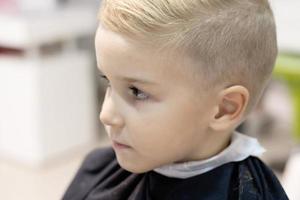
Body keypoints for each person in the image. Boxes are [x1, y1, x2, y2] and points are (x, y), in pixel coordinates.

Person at [63, 0, 289, 199]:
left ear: (223, 109)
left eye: (137, 92)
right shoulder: (100, 168)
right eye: (108, 80)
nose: (106, 115)